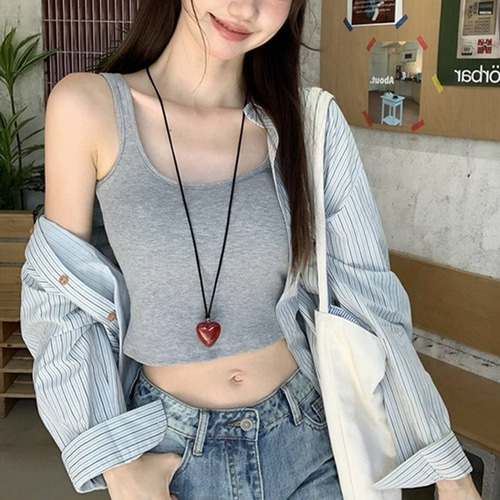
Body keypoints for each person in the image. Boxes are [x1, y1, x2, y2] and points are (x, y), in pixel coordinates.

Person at [21, 0, 482, 499]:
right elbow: (60, 299)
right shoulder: (87, 107)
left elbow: (370, 300)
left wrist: (450, 472)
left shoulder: (310, 124)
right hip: (169, 453)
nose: (244, 8)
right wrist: (118, 465)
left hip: (309, 438)